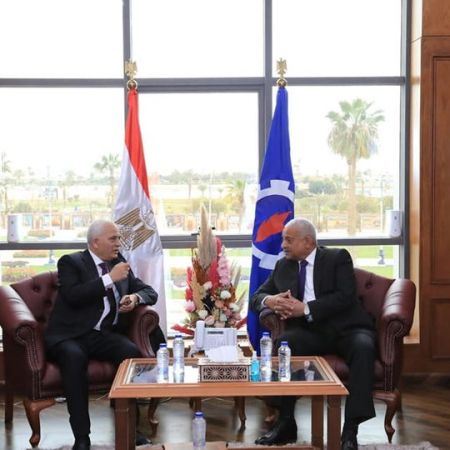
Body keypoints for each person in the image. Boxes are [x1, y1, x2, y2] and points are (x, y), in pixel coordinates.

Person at [250, 218, 376, 450]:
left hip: (348, 329)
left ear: (308, 242)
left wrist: (306, 309)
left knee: (364, 347)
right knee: (285, 343)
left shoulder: (337, 258)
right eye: (283, 240)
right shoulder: (283, 265)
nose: (283, 245)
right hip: (311, 332)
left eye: (288, 240)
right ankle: (286, 421)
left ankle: (350, 430)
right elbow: (256, 296)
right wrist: (271, 300)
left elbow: (345, 296)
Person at [45, 220, 158, 450]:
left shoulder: (119, 263)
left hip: (101, 334)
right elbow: (73, 296)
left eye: (119, 238)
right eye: (113, 238)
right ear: (95, 243)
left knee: (130, 353)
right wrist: (109, 279)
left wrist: (134, 298)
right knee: (74, 357)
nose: (118, 243)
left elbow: (149, 292)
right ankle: (82, 437)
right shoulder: (71, 262)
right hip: (69, 335)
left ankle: (129, 428)